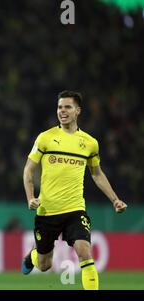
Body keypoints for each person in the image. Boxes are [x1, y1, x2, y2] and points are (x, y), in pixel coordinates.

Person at [21, 90, 127, 290]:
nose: (62, 111)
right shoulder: (45, 138)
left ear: (78, 111)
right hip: (47, 210)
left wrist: (115, 200)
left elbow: (97, 174)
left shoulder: (90, 143)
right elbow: (28, 170)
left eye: (67, 107)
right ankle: (34, 255)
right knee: (44, 265)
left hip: (75, 209)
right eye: (60, 107)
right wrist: (30, 197)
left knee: (85, 252)